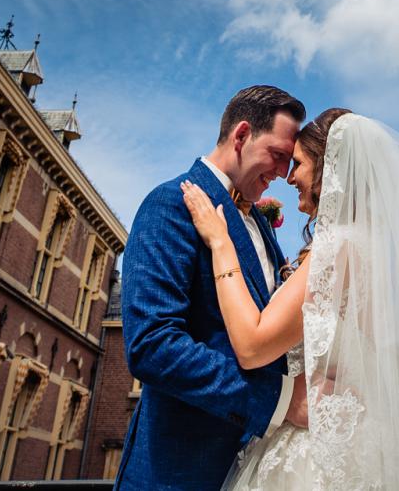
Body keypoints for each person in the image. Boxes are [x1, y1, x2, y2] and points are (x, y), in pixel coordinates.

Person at [180, 108, 399, 490]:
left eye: (299, 164)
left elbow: (253, 347)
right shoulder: (368, 248)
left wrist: (220, 243)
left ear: (327, 167)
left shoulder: (338, 247)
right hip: (359, 442)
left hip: (314, 451)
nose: (290, 177)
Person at [116, 86, 307, 491]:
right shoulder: (169, 204)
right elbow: (152, 345)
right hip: (183, 471)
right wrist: (280, 400)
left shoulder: (259, 223)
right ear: (241, 136)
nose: (284, 175)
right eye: (277, 156)